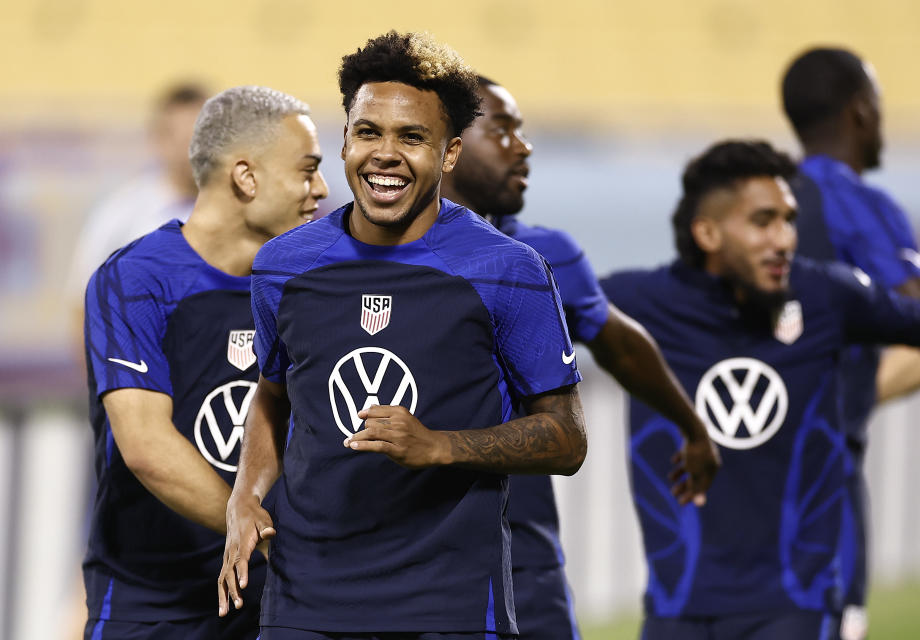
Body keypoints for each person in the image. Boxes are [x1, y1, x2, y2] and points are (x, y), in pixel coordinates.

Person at [217, 31, 590, 640]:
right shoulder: (282, 265)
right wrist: (245, 496)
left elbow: (567, 439)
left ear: (448, 155)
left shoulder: (507, 270)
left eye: (411, 138)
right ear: (344, 142)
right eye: (368, 132)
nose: (385, 154)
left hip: (450, 606)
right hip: (305, 600)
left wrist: (441, 446)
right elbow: (273, 394)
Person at [600, 140, 920, 640]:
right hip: (675, 612)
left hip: (793, 610)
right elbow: (520, 317)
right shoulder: (637, 303)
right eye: (763, 221)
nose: (785, 239)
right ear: (707, 232)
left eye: (789, 220)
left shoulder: (827, 296)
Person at [441, 77, 719, 640]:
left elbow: (623, 345)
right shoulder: (369, 257)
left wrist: (693, 428)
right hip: (410, 556)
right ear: (447, 145)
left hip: (523, 556)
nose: (524, 146)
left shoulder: (545, 254)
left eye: (522, 131)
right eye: (502, 129)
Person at [83, 85, 329, 640]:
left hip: (278, 605)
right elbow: (146, 448)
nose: (321, 188)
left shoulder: (308, 287)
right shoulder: (136, 279)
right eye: (307, 169)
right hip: (154, 605)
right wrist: (268, 539)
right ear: (246, 177)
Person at [782, 47, 920, 640]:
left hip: (743, 485)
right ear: (860, 112)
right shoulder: (859, 203)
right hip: (826, 490)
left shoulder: (756, 203)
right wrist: (851, 396)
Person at [68, 83, 210, 335]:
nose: (198, 151)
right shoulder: (121, 215)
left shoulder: (240, 211)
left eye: (207, 137)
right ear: (160, 140)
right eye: (187, 140)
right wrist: (100, 374)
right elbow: (82, 305)